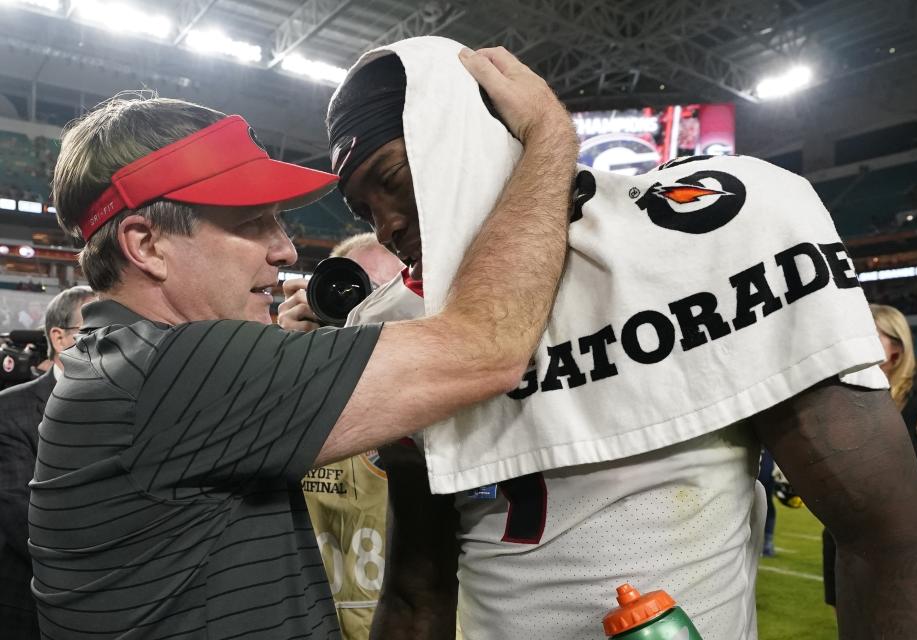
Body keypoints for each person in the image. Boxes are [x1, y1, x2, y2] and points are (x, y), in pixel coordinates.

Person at [302, 39, 917, 640]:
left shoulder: (708, 233)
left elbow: (887, 542)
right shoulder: (394, 323)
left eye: (391, 180)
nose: (385, 225)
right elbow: (418, 588)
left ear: (468, 136)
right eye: (362, 211)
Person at [31, 48, 579, 640]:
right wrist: (548, 136)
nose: (286, 250)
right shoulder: (176, 370)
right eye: (250, 223)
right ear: (147, 245)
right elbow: (489, 345)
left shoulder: (118, 364)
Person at [280, 232, 404, 639]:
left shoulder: (454, 406)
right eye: (362, 292)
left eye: (395, 291)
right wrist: (284, 366)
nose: (377, 311)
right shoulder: (291, 407)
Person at [823, 303, 917, 607]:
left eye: (866, 335)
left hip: (900, 544)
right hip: (844, 540)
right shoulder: (848, 403)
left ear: (896, 350)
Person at [0, 285, 94, 640]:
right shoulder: (10, 408)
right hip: (31, 599)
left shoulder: (136, 402)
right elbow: (19, 514)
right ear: (59, 337)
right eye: (97, 330)